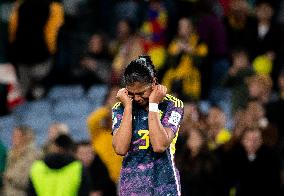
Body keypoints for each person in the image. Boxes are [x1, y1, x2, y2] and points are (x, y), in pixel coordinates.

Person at [112, 55, 184, 195]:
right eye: (132, 94)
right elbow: (120, 148)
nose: (137, 98)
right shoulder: (120, 107)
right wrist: (128, 107)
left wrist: (153, 105)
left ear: (154, 83)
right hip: (132, 189)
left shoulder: (172, 104)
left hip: (164, 188)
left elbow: (159, 145)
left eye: (141, 93)